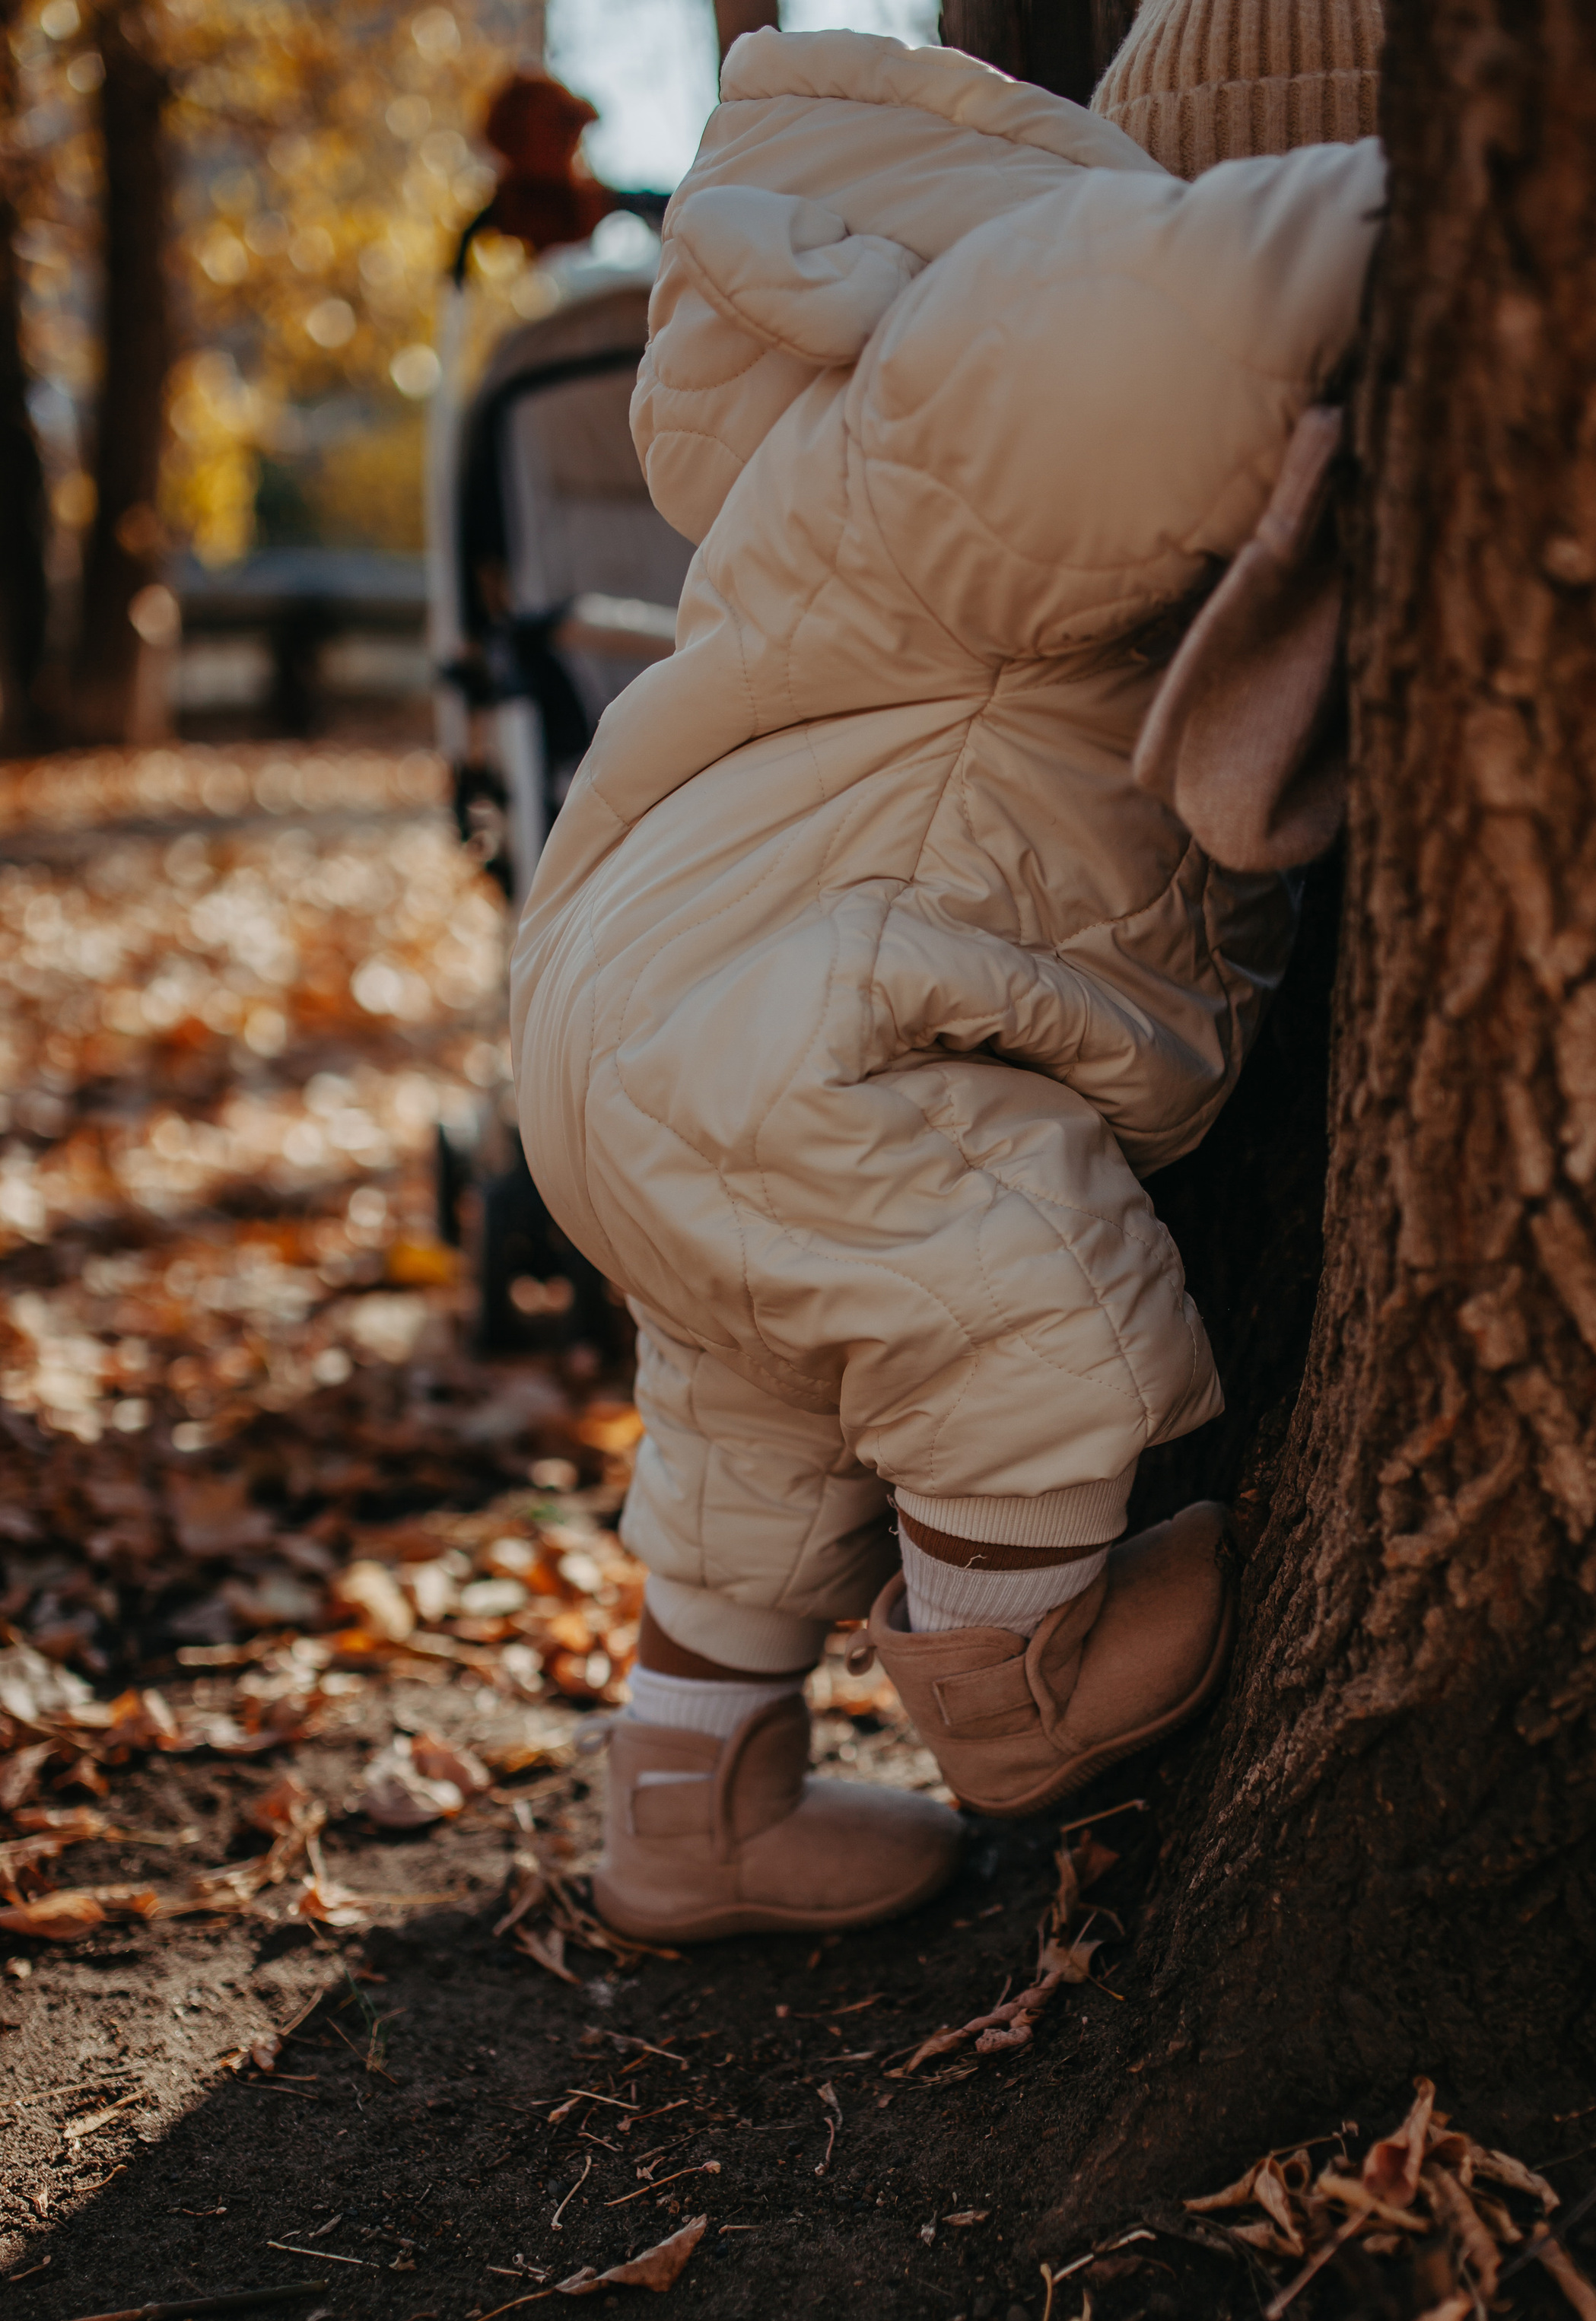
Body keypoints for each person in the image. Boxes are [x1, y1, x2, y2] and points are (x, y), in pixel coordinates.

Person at [510, 4, 1385, 1943]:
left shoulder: (850, 406)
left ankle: (685, 1805)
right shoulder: (984, 355)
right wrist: (1412, 215)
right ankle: (1019, 1683)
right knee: (999, 1294)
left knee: (757, 1406)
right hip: (796, 1037)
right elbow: (1164, 334)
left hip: (669, 1027)